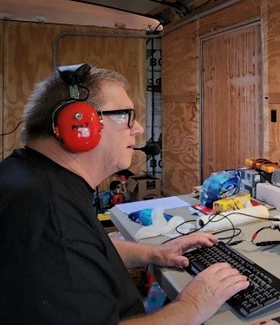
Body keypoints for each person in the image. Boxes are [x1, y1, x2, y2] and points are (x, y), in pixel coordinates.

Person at [0, 64, 249, 325]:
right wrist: (194, 304)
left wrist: (153, 253)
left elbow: (86, 251)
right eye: (126, 116)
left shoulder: (30, 177)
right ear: (79, 123)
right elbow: (66, 246)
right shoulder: (51, 219)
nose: (138, 128)